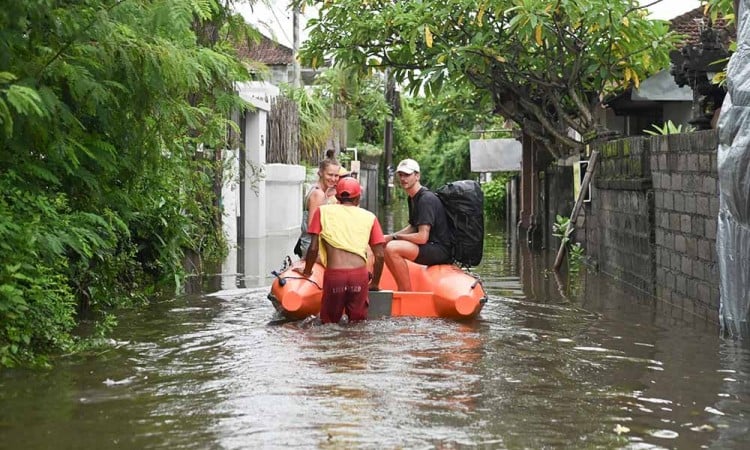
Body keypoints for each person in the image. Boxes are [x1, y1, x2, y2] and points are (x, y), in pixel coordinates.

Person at [294, 178, 386, 324]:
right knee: (358, 325)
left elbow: (313, 248)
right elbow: (380, 255)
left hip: (335, 276)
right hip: (359, 277)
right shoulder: (370, 217)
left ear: (337, 197)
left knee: (328, 324)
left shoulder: (322, 212)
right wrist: (375, 282)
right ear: (358, 198)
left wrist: (307, 271)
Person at [384, 158, 453, 291]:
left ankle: (405, 292)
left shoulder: (425, 199)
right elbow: (413, 227)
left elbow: (422, 237)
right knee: (385, 242)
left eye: (407, 175)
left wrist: (395, 238)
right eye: (401, 175)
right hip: (429, 245)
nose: (403, 178)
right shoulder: (412, 197)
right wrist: (389, 236)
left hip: (440, 249)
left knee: (392, 248)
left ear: (417, 176)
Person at [294, 157, 341, 258]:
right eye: (330, 174)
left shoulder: (324, 193)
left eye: (336, 175)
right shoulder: (318, 194)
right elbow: (312, 226)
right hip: (312, 248)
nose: (333, 179)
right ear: (321, 173)